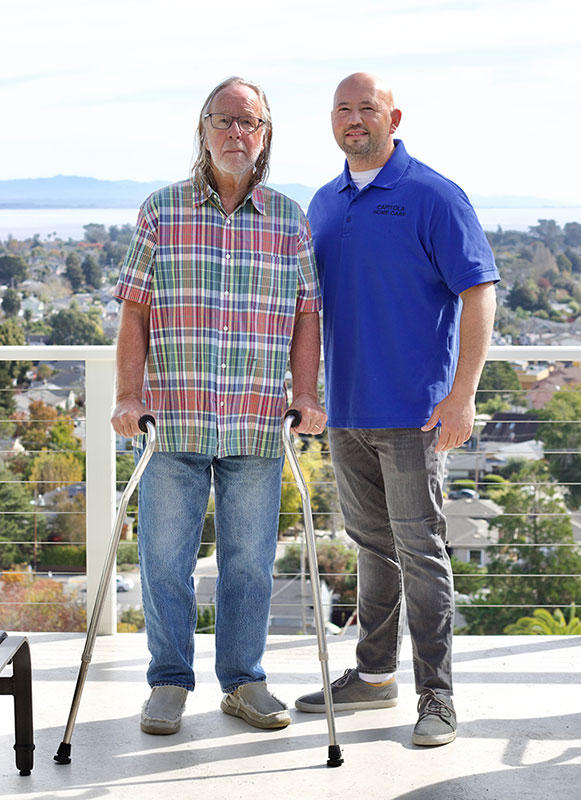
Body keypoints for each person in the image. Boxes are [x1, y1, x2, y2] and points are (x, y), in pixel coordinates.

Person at [111, 76, 326, 735]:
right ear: (202, 129)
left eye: (250, 124)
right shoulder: (161, 210)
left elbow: (307, 316)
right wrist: (126, 393)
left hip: (257, 421)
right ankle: (169, 683)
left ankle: (243, 682)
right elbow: (134, 311)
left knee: (248, 565)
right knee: (165, 564)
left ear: (264, 137)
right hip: (172, 419)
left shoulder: (290, 220)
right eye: (225, 121)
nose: (238, 133)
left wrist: (307, 393)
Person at [295, 73, 499, 746]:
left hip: (414, 411)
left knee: (420, 553)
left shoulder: (432, 195)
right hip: (345, 412)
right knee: (371, 549)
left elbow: (477, 291)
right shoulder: (323, 204)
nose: (354, 120)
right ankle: (374, 675)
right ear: (332, 121)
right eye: (343, 111)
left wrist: (462, 393)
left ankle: (436, 698)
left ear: (392, 116)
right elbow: (306, 309)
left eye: (367, 109)